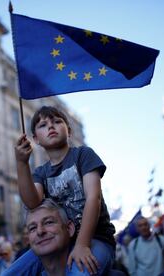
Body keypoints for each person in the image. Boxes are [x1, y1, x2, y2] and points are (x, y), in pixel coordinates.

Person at [10, 106, 115, 275]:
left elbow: (93, 198)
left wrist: (82, 244)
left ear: (69, 131)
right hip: (59, 242)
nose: (51, 127)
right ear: (35, 139)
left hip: (96, 239)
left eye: (57, 122)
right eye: (43, 125)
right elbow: (32, 202)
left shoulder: (83, 155)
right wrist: (21, 163)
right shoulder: (40, 172)